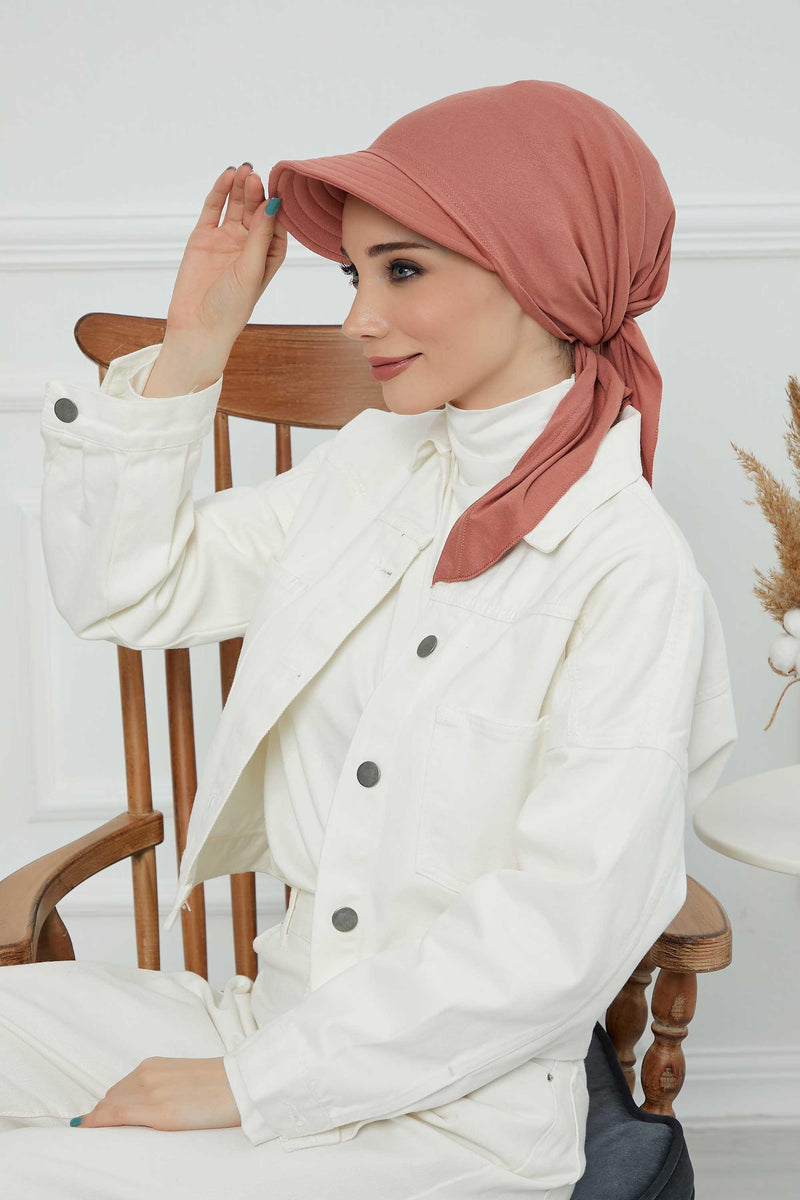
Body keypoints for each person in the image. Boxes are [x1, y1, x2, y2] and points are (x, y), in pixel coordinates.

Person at [1, 81, 737, 1199]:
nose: (357, 319)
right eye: (353, 275)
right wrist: (196, 341)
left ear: (541, 267)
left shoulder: (629, 572)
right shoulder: (373, 467)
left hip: (447, 1117)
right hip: (266, 1017)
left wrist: (247, 1086)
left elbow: (555, 935)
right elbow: (128, 589)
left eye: (401, 271)